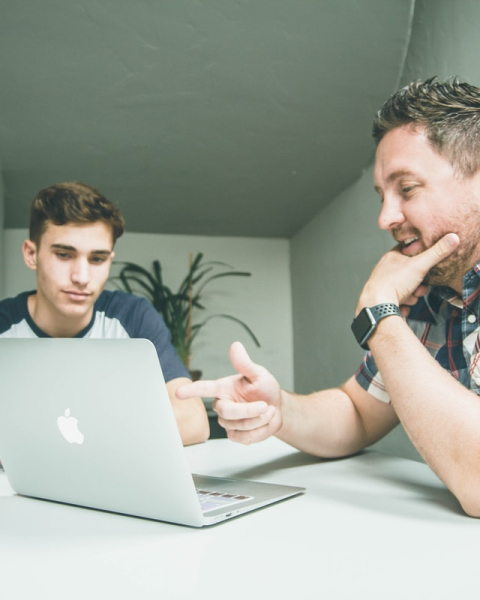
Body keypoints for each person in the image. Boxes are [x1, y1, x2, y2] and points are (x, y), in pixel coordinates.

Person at [177, 77, 480, 516]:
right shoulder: (430, 296)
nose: (385, 217)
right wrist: (280, 409)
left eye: (407, 189)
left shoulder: (396, 304)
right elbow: (357, 412)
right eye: (382, 195)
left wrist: (379, 314)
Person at [0, 181, 209, 446]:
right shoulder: (4, 324)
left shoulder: (133, 316)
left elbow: (193, 421)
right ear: (32, 254)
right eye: (64, 255)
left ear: (109, 260)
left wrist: (45, 437)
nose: (82, 277)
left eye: (97, 259)